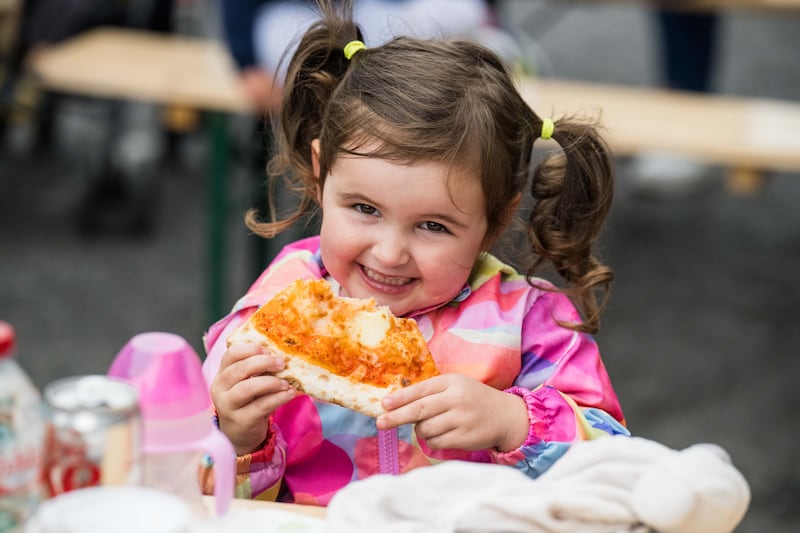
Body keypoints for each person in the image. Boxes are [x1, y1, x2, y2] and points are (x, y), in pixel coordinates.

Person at [201, 0, 628, 506]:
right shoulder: (270, 313)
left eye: (432, 225)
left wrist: (514, 422)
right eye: (364, 208)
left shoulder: (531, 324)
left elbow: (619, 469)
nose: (389, 252)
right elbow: (205, 493)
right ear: (321, 176)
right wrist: (238, 437)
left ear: (495, 220)